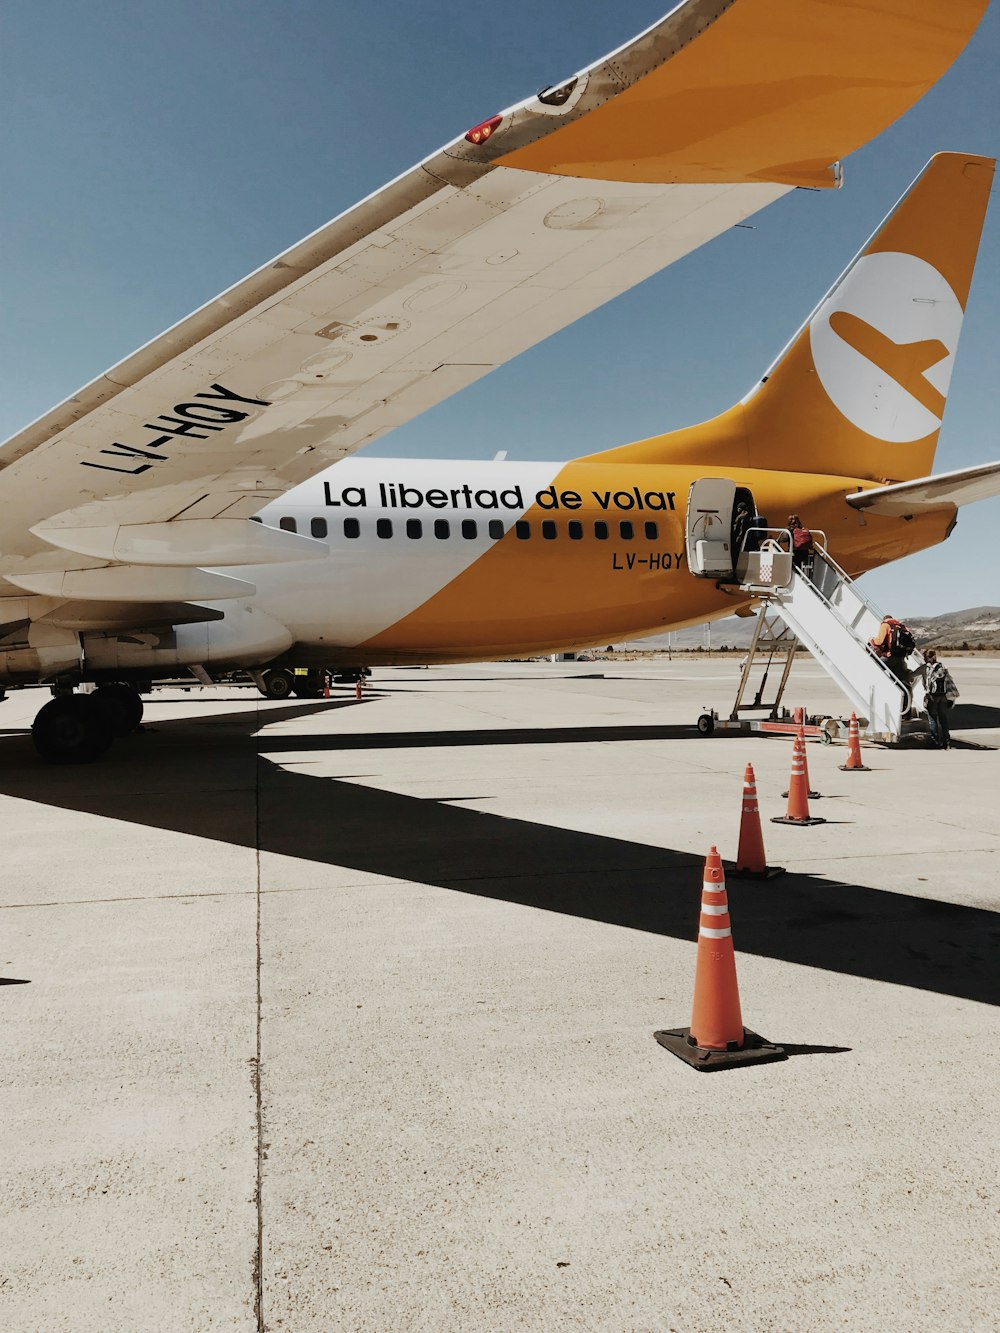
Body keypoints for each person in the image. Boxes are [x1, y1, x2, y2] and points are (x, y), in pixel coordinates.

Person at [922, 649, 959, 749]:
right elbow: (949, 680)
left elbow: (912, 675)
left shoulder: (925, 668)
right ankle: (946, 741)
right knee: (943, 719)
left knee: (933, 718)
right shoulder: (942, 667)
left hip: (932, 696)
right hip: (943, 696)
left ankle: (934, 740)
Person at [870, 615, 916, 691]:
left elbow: (880, 641)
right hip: (901, 657)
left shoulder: (885, 625)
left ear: (884, 619)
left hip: (890, 656)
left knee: (874, 665)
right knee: (899, 680)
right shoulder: (901, 626)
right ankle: (909, 677)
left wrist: (872, 640)